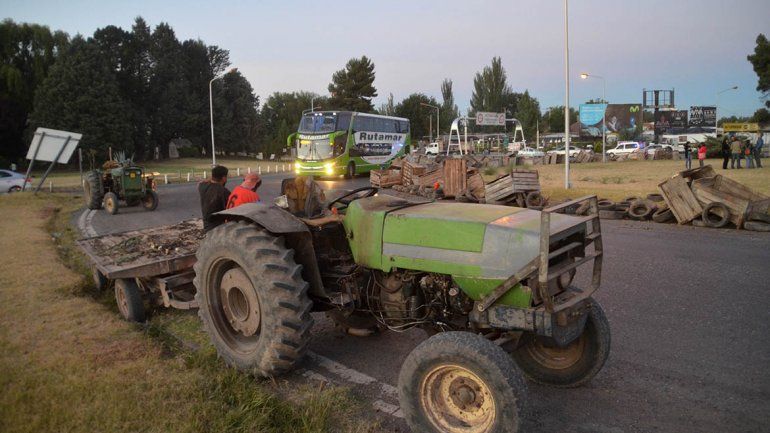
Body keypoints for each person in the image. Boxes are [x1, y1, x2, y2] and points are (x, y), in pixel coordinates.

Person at [198, 165, 229, 232]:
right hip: (219, 228)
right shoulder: (224, 191)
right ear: (224, 178)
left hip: (206, 226)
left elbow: (201, 182)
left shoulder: (202, 186)